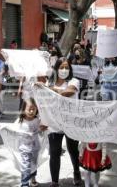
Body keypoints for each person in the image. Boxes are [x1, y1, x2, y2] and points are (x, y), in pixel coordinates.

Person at [45, 57, 81, 187]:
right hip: (54, 124)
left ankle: (76, 172)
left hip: (71, 123)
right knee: (54, 152)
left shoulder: (74, 81)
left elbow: (68, 92)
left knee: (73, 150)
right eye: (61, 67)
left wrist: (51, 90)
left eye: (67, 67)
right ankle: (55, 181)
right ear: (56, 69)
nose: (64, 70)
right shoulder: (49, 82)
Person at [15, 97, 45, 187]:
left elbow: (40, 132)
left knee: (33, 164)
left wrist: (41, 129)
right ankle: (24, 183)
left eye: (33, 109)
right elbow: (14, 131)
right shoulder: (20, 121)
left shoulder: (37, 120)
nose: (32, 111)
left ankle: (33, 179)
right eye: (29, 109)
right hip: (24, 149)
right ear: (24, 109)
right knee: (25, 166)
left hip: (35, 148)